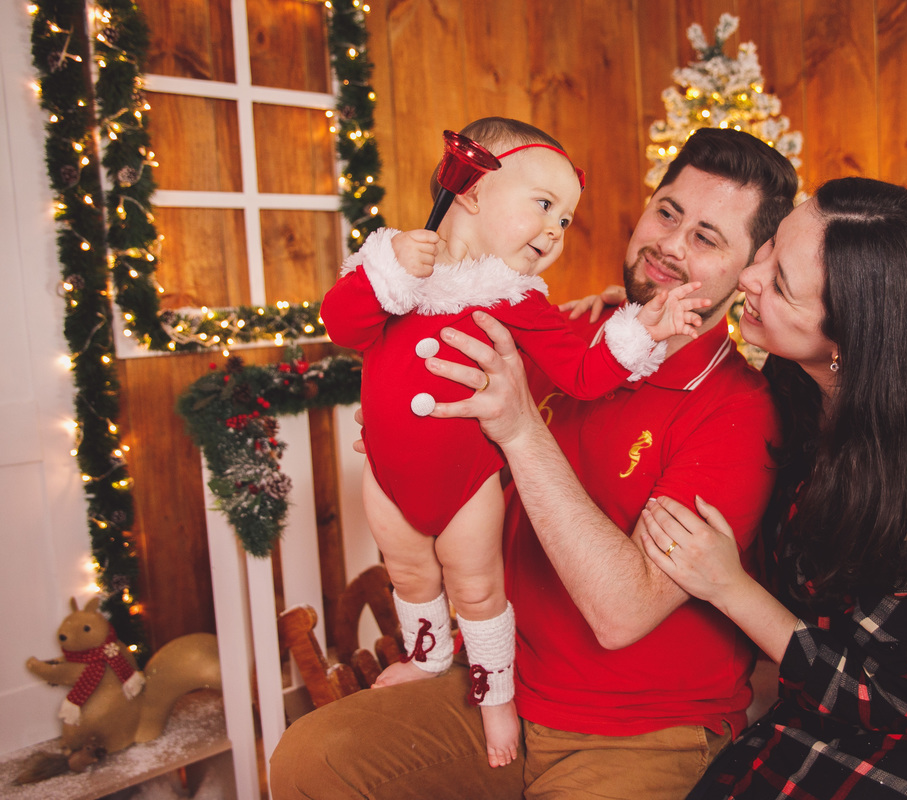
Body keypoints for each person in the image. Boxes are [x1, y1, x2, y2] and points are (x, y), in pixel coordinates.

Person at [270, 127, 798, 799]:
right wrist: (413, 435)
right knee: (313, 758)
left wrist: (520, 428)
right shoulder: (565, 330)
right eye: (668, 213)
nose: (670, 244)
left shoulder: (737, 412)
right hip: (502, 683)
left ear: (747, 270)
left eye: (708, 238)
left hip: (636, 731)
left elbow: (621, 614)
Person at [319, 117, 708, 767]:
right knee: (410, 577)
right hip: (388, 478)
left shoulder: (514, 298)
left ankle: (492, 692)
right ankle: (428, 656)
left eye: (565, 220)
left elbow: (581, 372)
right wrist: (383, 273)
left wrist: (646, 328)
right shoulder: (393, 271)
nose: (556, 231)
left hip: (466, 485)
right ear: (470, 189)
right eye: (544, 205)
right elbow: (343, 324)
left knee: (475, 590)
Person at [637, 177, 907, 798]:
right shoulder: (800, 384)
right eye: (768, 247)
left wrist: (728, 587)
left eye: (782, 283)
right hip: (815, 678)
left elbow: (889, 699)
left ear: (852, 340)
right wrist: (626, 327)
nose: (750, 275)